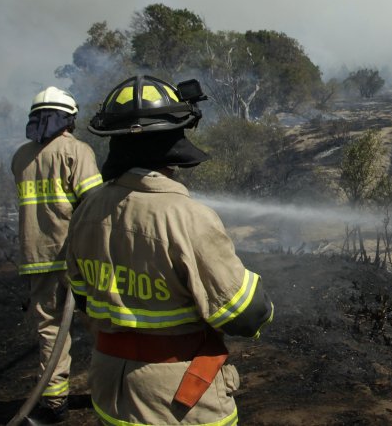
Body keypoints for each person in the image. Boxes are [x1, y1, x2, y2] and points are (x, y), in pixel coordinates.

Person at [65, 75, 273, 425]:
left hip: (109, 387)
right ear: (174, 139)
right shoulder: (188, 218)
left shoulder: (87, 210)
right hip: (177, 398)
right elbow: (245, 314)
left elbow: (83, 296)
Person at [11, 86, 103, 423]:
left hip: (36, 256)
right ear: (69, 119)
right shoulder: (76, 151)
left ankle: (53, 401)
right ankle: (111, 387)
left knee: (49, 329)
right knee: (102, 320)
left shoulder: (21, 156)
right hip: (77, 257)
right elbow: (94, 205)